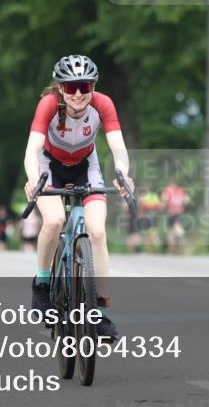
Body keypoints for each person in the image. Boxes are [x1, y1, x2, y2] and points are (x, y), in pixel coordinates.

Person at [24, 54, 133, 339]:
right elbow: (32, 150)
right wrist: (34, 180)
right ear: (60, 88)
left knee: (97, 232)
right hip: (50, 167)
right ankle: (42, 284)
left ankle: (99, 313)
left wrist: (122, 174)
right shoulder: (49, 104)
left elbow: (118, 148)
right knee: (54, 220)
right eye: (70, 87)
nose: (78, 94)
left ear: (93, 87)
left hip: (87, 166)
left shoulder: (103, 104)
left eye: (84, 86)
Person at [161, 178, 190, 255]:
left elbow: (164, 200)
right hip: (180, 212)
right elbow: (187, 200)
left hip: (170, 212)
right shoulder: (181, 191)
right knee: (175, 228)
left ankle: (171, 250)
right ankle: (181, 239)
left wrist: (162, 208)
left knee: (171, 231)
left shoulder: (167, 190)